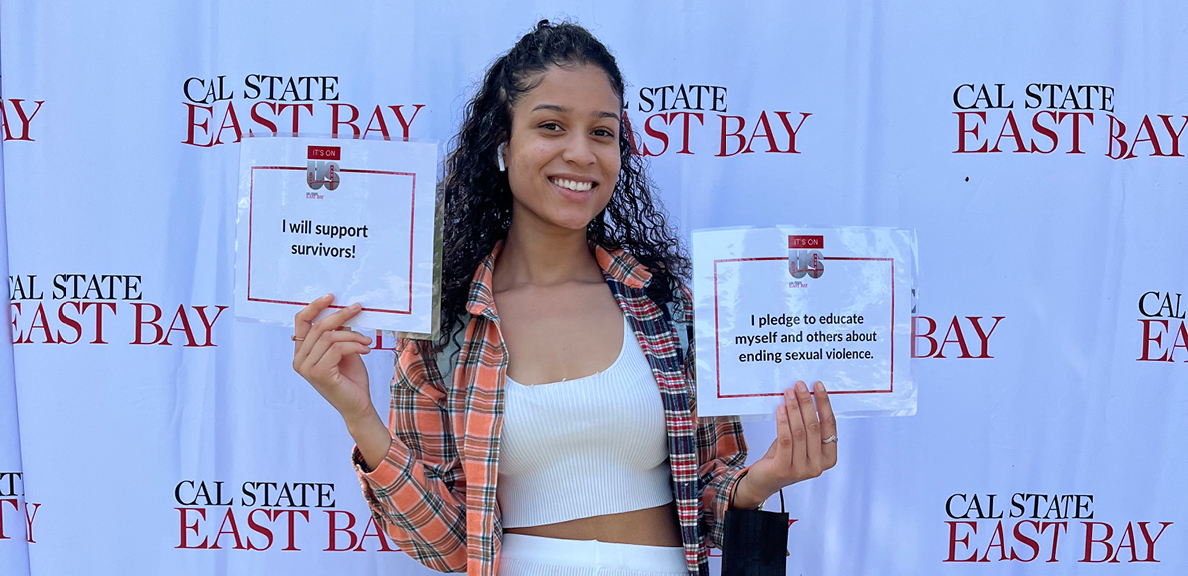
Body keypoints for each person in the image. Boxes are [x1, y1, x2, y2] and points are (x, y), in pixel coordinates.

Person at [291, 20, 838, 576]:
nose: (581, 153)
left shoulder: (669, 307)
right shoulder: (444, 327)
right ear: (502, 145)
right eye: (551, 126)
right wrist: (359, 416)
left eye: (603, 132)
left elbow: (709, 501)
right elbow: (447, 546)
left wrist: (764, 478)